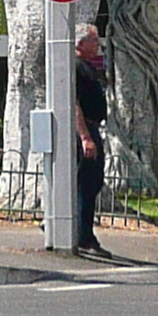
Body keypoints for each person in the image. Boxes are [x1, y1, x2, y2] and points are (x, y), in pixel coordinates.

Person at [68, 21, 109, 255]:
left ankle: (81, 230)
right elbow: (74, 105)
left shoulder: (87, 66)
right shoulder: (75, 67)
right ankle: (83, 235)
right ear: (80, 43)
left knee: (92, 182)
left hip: (93, 127)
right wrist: (85, 137)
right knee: (86, 182)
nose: (98, 44)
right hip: (85, 131)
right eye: (94, 40)